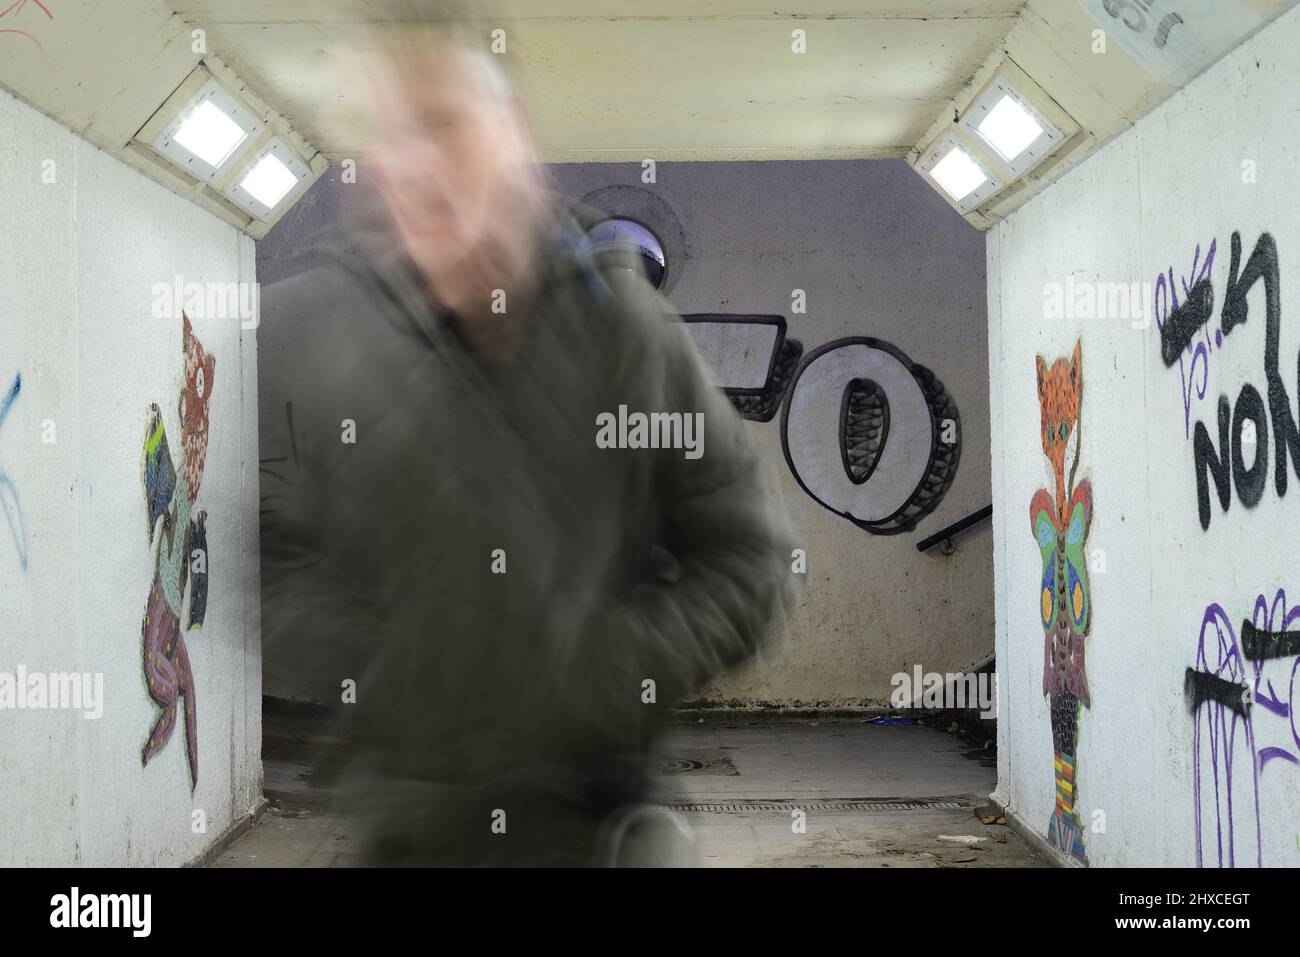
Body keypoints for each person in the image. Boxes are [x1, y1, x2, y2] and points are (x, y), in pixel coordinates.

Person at [260, 5, 794, 866]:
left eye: (439, 125)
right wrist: (386, 671)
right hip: (407, 833)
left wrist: (591, 678)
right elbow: (271, 548)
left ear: (509, 132)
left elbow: (752, 562)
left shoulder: (626, 331)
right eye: (383, 139)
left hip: (597, 831)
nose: (412, 168)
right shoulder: (339, 340)